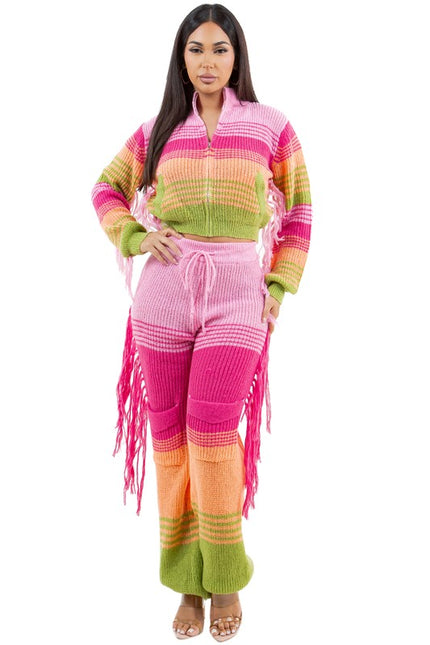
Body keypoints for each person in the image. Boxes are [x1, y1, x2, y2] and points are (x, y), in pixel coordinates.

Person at [91, 3, 312, 641]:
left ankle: (227, 575)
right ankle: (187, 582)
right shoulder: (157, 129)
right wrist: (136, 236)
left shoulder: (271, 126)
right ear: (181, 58)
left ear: (237, 56)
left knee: (212, 433)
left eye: (219, 49)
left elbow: (299, 209)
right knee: (169, 437)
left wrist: (279, 283)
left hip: (239, 291)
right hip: (165, 292)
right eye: (196, 49)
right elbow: (105, 189)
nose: (208, 62)